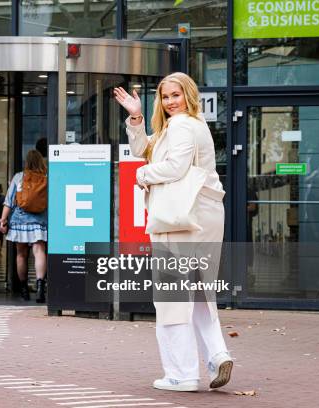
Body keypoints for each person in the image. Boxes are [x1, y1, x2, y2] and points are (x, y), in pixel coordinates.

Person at [114, 73, 232, 392]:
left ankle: (182, 374)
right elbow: (144, 148)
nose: (170, 102)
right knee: (198, 290)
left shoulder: (180, 125)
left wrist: (142, 175)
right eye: (165, 97)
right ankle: (217, 353)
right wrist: (136, 117)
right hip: (204, 214)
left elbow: (173, 167)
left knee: (172, 296)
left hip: (181, 218)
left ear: (188, 95)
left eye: (176, 95)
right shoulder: (193, 125)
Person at [0, 150, 47, 303]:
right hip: (39, 221)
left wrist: (3, 219)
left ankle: (24, 289)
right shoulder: (47, 178)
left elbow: (9, 201)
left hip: (19, 221)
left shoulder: (19, 177)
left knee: (21, 255)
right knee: (39, 252)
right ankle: (40, 288)